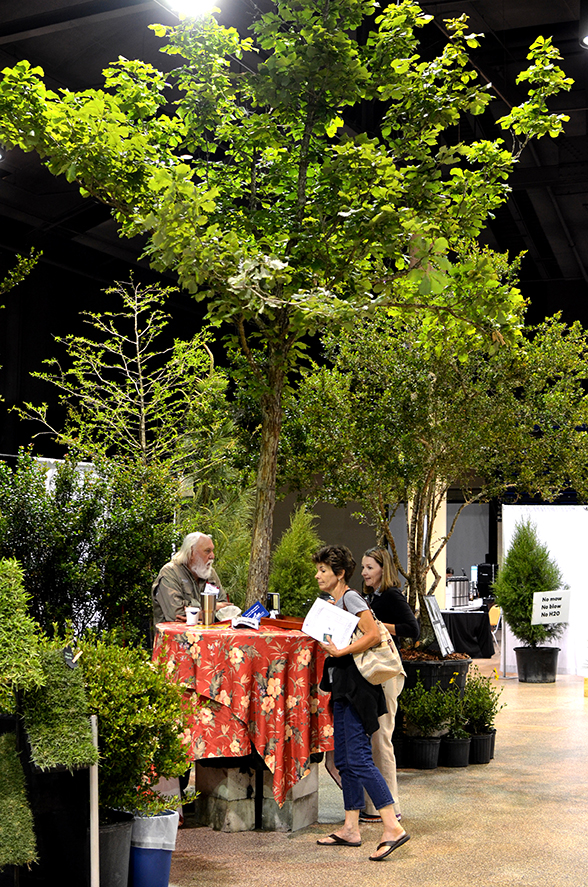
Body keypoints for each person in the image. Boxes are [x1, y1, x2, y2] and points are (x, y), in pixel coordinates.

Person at [313, 544, 410, 861]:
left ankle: (391, 826)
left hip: (358, 688)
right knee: (343, 758)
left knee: (358, 758)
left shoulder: (352, 597)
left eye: (323, 570)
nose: (318, 575)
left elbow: (372, 634)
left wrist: (341, 652)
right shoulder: (336, 602)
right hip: (343, 686)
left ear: (339, 573)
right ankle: (350, 828)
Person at [360, 546, 420, 823]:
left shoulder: (393, 595)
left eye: (370, 567)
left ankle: (390, 805)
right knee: (375, 739)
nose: (364, 573)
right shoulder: (372, 597)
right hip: (376, 674)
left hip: (388, 674)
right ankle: (374, 805)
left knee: (382, 738)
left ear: (383, 568)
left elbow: (412, 629)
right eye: (363, 568)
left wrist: (379, 626)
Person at [152, 532, 228, 624]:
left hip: (209, 636)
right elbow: (176, 615)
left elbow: (226, 610)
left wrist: (193, 612)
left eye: (212, 551)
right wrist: (212, 608)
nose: (212, 556)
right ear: (191, 553)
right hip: (178, 637)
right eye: (207, 551)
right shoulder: (170, 573)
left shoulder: (210, 573)